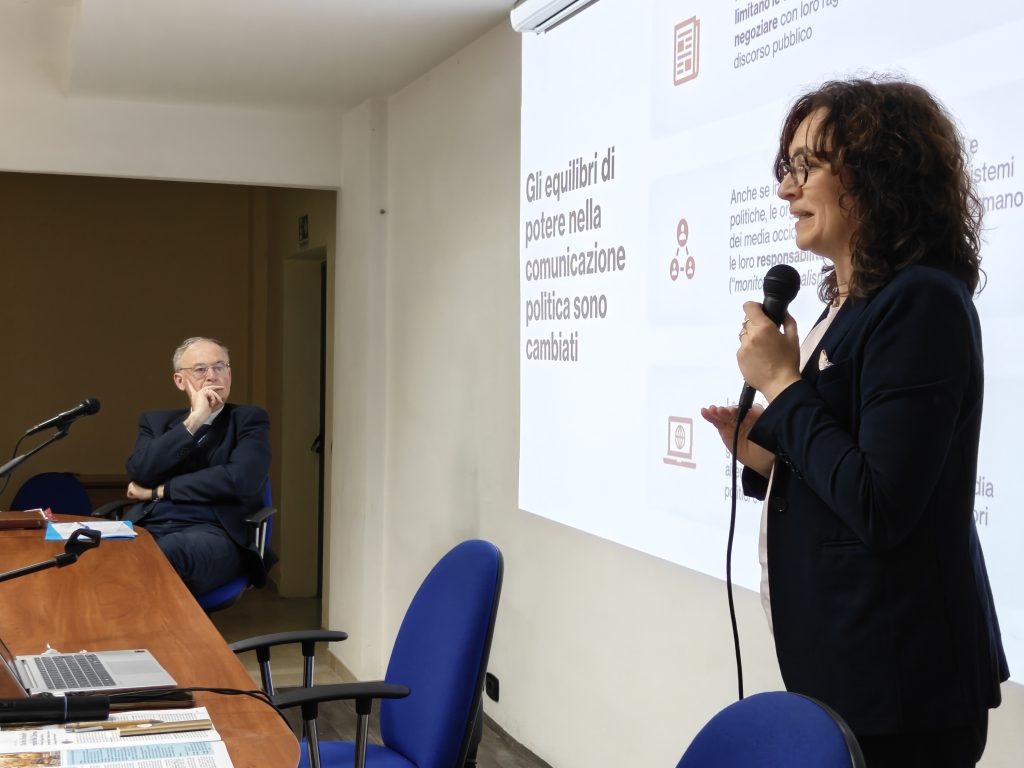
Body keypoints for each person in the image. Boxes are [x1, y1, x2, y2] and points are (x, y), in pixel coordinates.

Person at [701, 77, 1008, 767]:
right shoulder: (849, 305)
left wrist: (782, 385)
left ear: (876, 173)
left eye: (807, 166)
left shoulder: (921, 300)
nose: (786, 189)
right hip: (851, 667)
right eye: (786, 168)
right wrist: (768, 456)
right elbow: (848, 463)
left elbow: (881, 504)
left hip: (903, 685)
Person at [123, 336, 272, 595]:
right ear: (180, 381)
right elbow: (141, 472)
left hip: (215, 532)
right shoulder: (155, 423)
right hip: (150, 525)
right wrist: (194, 421)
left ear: (229, 375)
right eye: (201, 369)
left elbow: (239, 480)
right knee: (92, 552)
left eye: (219, 367)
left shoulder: (248, 420)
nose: (212, 376)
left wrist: (160, 491)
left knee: (159, 556)